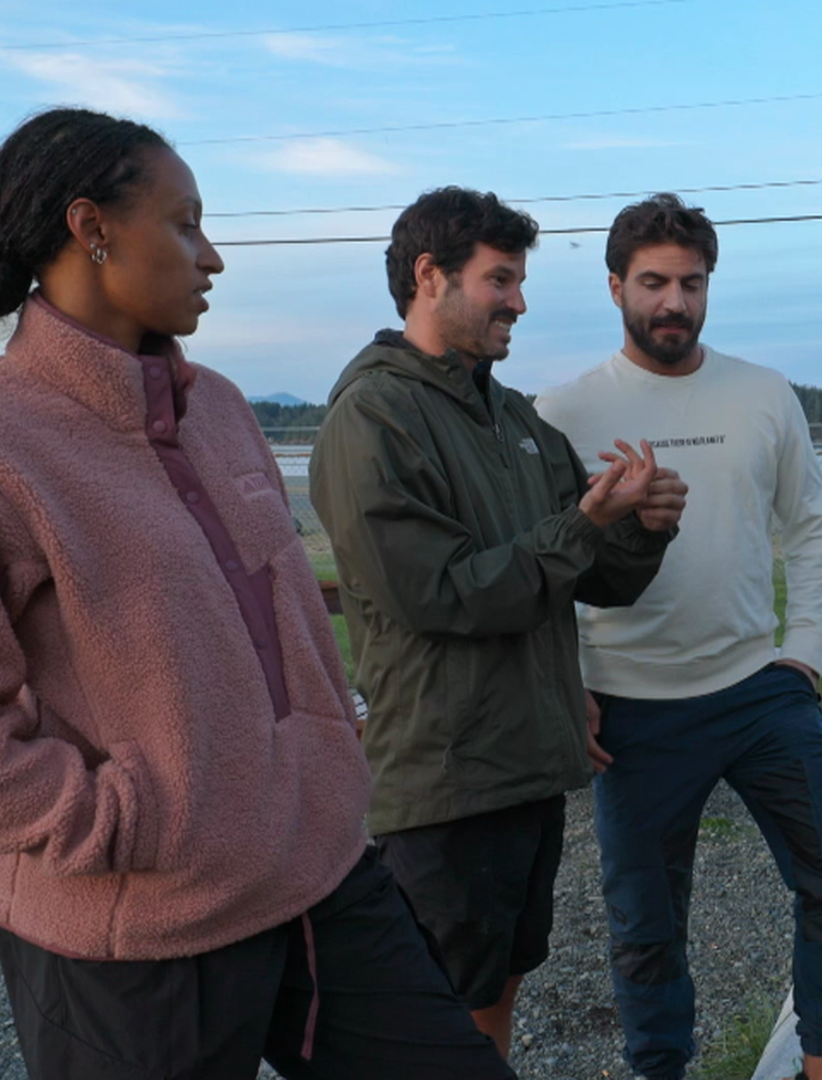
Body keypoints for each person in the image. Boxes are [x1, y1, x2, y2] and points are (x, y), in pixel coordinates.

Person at [0, 108, 512, 1079]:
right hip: (137, 937)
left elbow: (266, 618)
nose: (212, 258)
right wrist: (126, 819)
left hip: (319, 875)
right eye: (187, 225)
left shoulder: (221, 407)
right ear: (93, 229)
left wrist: (329, 744)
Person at [308, 185, 684, 1061]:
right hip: (445, 779)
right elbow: (440, 596)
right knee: (434, 1013)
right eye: (501, 279)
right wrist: (585, 523)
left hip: (526, 765)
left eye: (519, 280)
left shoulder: (513, 416)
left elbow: (593, 579)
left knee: (496, 990)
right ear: (429, 276)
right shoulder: (373, 417)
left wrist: (640, 527)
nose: (520, 300)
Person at [534, 194, 822, 1080]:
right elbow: (547, 570)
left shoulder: (763, 393)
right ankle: (661, 1069)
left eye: (691, 283)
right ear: (616, 287)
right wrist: (567, 683)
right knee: (645, 927)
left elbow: (809, 526)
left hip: (756, 686)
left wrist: (804, 649)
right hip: (629, 707)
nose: (674, 303)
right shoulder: (563, 413)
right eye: (653, 282)